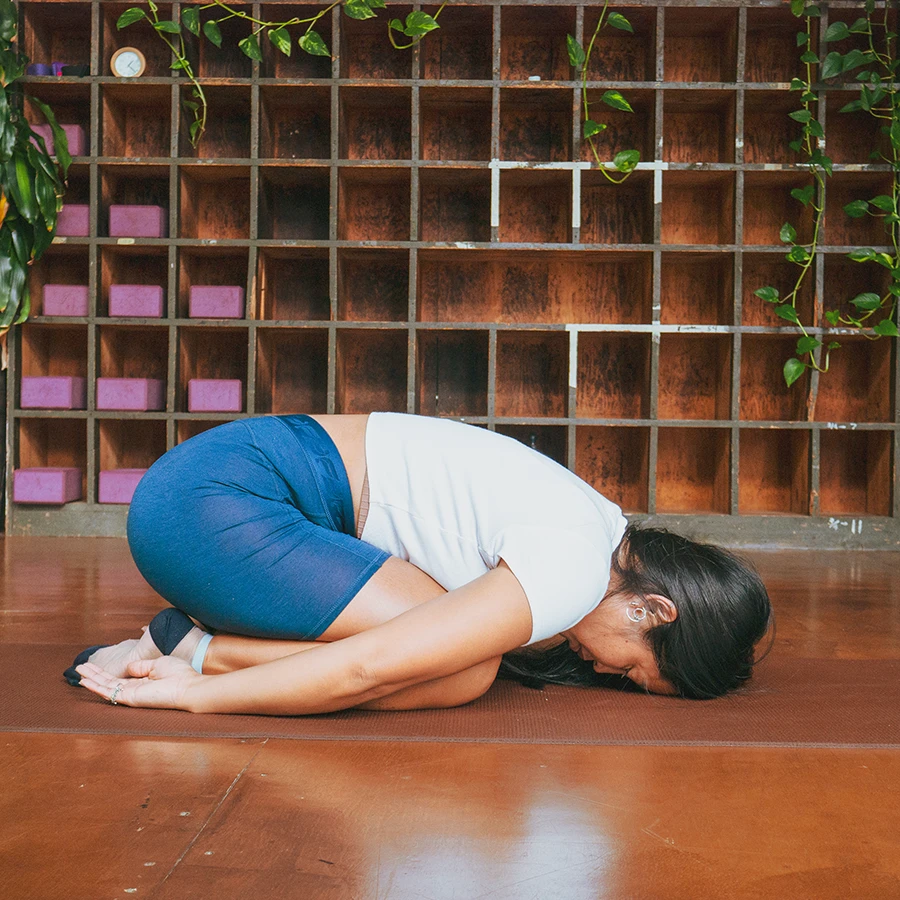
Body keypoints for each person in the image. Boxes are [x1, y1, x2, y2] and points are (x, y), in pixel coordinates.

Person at [68, 413, 772, 715]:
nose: (605, 673)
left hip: (214, 486)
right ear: (651, 609)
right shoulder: (575, 568)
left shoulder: (598, 525)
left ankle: (184, 643)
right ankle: (189, 655)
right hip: (213, 505)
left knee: (459, 655)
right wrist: (197, 698)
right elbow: (367, 668)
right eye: (634, 671)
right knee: (464, 670)